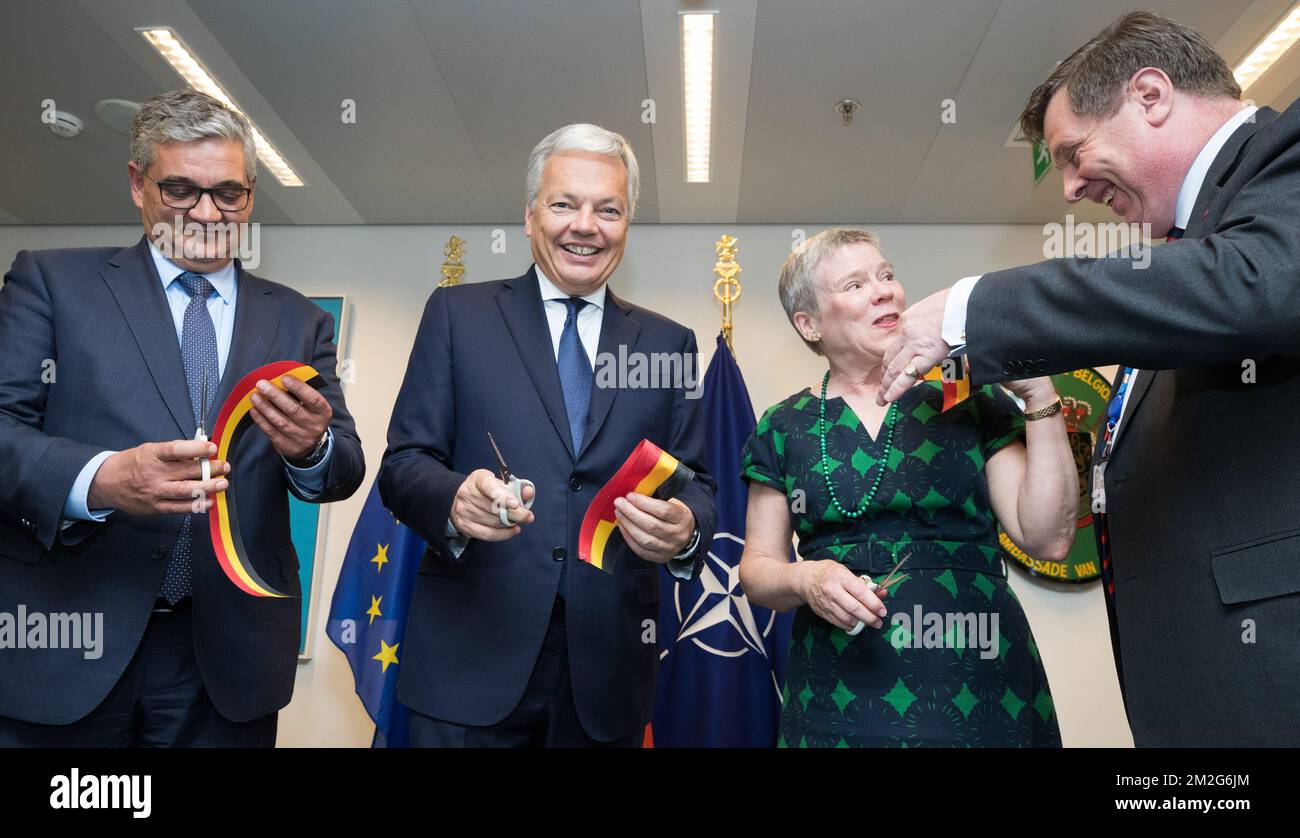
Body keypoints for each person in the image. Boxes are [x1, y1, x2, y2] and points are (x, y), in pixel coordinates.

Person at [877, 10, 1300, 746]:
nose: (1069, 189)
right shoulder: (1185, 251)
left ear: (1150, 95)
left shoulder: (1283, 155)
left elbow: (1258, 286)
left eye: (1074, 153)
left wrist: (974, 307)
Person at [0, 89, 365, 746]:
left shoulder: (300, 320)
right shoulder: (51, 284)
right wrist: (102, 479)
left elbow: (341, 467)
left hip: (230, 664)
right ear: (138, 184)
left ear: (251, 194)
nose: (206, 213)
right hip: (67, 643)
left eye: (229, 193)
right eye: (180, 190)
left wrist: (311, 449)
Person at [378, 123, 716, 747]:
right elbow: (403, 465)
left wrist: (685, 528)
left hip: (607, 675)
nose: (584, 225)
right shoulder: (458, 315)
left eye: (607, 209)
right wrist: (454, 500)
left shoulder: (671, 344)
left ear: (627, 223)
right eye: (564, 204)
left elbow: (696, 483)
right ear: (531, 215)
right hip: (469, 662)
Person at [738, 228, 1076, 747]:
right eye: (854, 285)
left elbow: (1047, 538)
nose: (884, 291)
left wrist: (1039, 395)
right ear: (808, 324)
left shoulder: (966, 396)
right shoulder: (783, 426)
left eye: (886, 275)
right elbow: (758, 570)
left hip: (977, 673)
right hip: (838, 688)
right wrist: (807, 579)